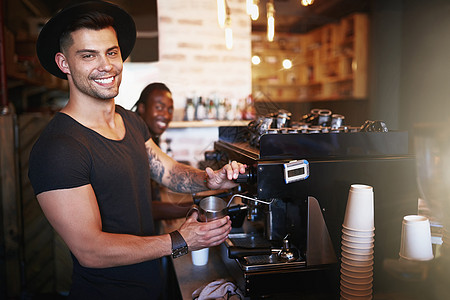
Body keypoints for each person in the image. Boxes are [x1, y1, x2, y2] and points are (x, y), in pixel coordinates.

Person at [28, 1, 246, 299]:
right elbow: (90, 250)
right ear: (64, 63)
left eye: (112, 52)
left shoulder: (130, 121)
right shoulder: (58, 148)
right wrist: (180, 240)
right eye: (88, 55)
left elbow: (167, 171)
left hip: (150, 284)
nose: (106, 65)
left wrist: (211, 180)